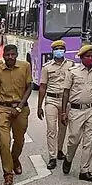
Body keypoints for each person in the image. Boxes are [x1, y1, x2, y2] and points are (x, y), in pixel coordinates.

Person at [62, 44, 92, 181]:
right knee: (74, 139)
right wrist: (64, 112)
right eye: (87, 56)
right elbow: (66, 92)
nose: (90, 58)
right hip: (76, 110)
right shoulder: (72, 72)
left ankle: (84, 170)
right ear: (81, 57)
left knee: (89, 141)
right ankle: (68, 158)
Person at [0, 43, 32, 179]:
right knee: (4, 141)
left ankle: (15, 159)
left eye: (13, 55)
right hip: (4, 108)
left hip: (21, 108)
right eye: (7, 55)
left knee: (19, 140)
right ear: (3, 56)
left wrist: (19, 107)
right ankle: (8, 173)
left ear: (16, 55)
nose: (10, 57)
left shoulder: (25, 66)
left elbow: (29, 87)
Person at [37, 39, 75, 172]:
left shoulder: (71, 65)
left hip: (66, 101)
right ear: (53, 51)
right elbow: (42, 87)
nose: (59, 51)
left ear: (64, 51)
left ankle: (59, 150)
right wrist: (39, 106)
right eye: (56, 49)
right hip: (51, 100)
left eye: (61, 49)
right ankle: (52, 157)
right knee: (51, 129)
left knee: (63, 127)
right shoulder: (47, 67)